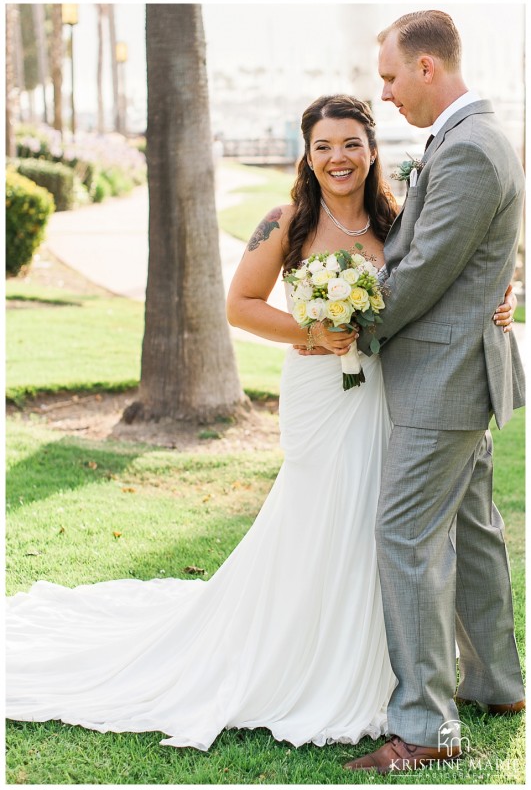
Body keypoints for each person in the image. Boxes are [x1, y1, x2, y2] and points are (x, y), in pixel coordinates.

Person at [5, 95, 516, 754]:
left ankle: (377, 663)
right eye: (324, 146)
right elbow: (239, 305)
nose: (338, 158)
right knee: (318, 514)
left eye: (351, 144)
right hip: (318, 391)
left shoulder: (397, 223)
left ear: (371, 150)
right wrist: (311, 330)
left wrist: (502, 291)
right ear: (306, 154)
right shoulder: (285, 223)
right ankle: (302, 652)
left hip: (387, 392)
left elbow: (453, 264)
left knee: (377, 521)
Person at [332, 11, 525, 774]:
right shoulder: (461, 141)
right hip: (455, 374)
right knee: (473, 532)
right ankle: (499, 685)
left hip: (442, 382)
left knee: (406, 538)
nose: (382, 94)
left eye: (387, 76)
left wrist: (356, 324)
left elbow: (424, 270)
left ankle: (423, 728)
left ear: (424, 68)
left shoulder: (471, 148)